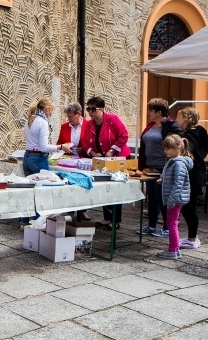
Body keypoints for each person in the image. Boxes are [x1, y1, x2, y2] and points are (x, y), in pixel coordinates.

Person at [80, 96, 130, 229]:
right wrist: (92, 152)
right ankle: (107, 218)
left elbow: (124, 135)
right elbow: (85, 141)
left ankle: (115, 220)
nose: (90, 112)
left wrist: (113, 150)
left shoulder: (112, 119)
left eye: (93, 109)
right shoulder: (89, 124)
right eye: (88, 109)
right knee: (106, 188)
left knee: (115, 189)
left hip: (117, 158)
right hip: (102, 159)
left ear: (101, 109)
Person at [138, 98, 182, 237]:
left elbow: (178, 143)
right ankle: (151, 226)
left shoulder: (169, 126)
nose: (148, 113)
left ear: (158, 112)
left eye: (150, 110)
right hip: (149, 168)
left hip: (163, 168)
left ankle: (167, 227)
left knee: (162, 198)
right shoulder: (150, 126)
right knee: (151, 198)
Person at [20, 96, 61, 227]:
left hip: (27, 157)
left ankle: (24, 222)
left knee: (29, 192)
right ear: (47, 109)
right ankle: (37, 224)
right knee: (41, 193)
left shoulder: (30, 120)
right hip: (38, 158)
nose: (51, 114)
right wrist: (60, 147)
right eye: (51, 111)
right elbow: (44, 147)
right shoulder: (42, 123)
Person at [176, 107, 208, 249]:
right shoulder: (199, 133)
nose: (177, 120)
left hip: (192, 175)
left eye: (178, 117)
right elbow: (207, 146)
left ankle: (192, 238)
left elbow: (190, 154)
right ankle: (193, 237)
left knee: (188, 207)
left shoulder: (190, 136)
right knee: (188, 206)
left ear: (185, 118)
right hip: (197, 174)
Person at [157, 134, 193, 259]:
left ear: (177, 148)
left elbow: (178, 183)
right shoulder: (173, 162)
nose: (165, 151)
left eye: (168, 148)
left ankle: (172, 250)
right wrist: (163, 180)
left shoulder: (178, 164)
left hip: (175, 199)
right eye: (165, 148)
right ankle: (175, 248)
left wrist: (171, 200)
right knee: (173, 223)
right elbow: (172, 178)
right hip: (174, 197)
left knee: (171, 223)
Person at [57, 102, 92, 220]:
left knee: (82, 185)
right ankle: (71, 210)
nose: (69, 119)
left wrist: (85, 149)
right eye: (68, 117)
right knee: (71, 184)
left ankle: (82, 210)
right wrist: (64, 146)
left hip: (85, 160)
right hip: (69, 161)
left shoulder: (89, 125)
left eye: (71, 116)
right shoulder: (64, 126)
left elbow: (93, 142)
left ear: (79, 114)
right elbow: (59, 143)